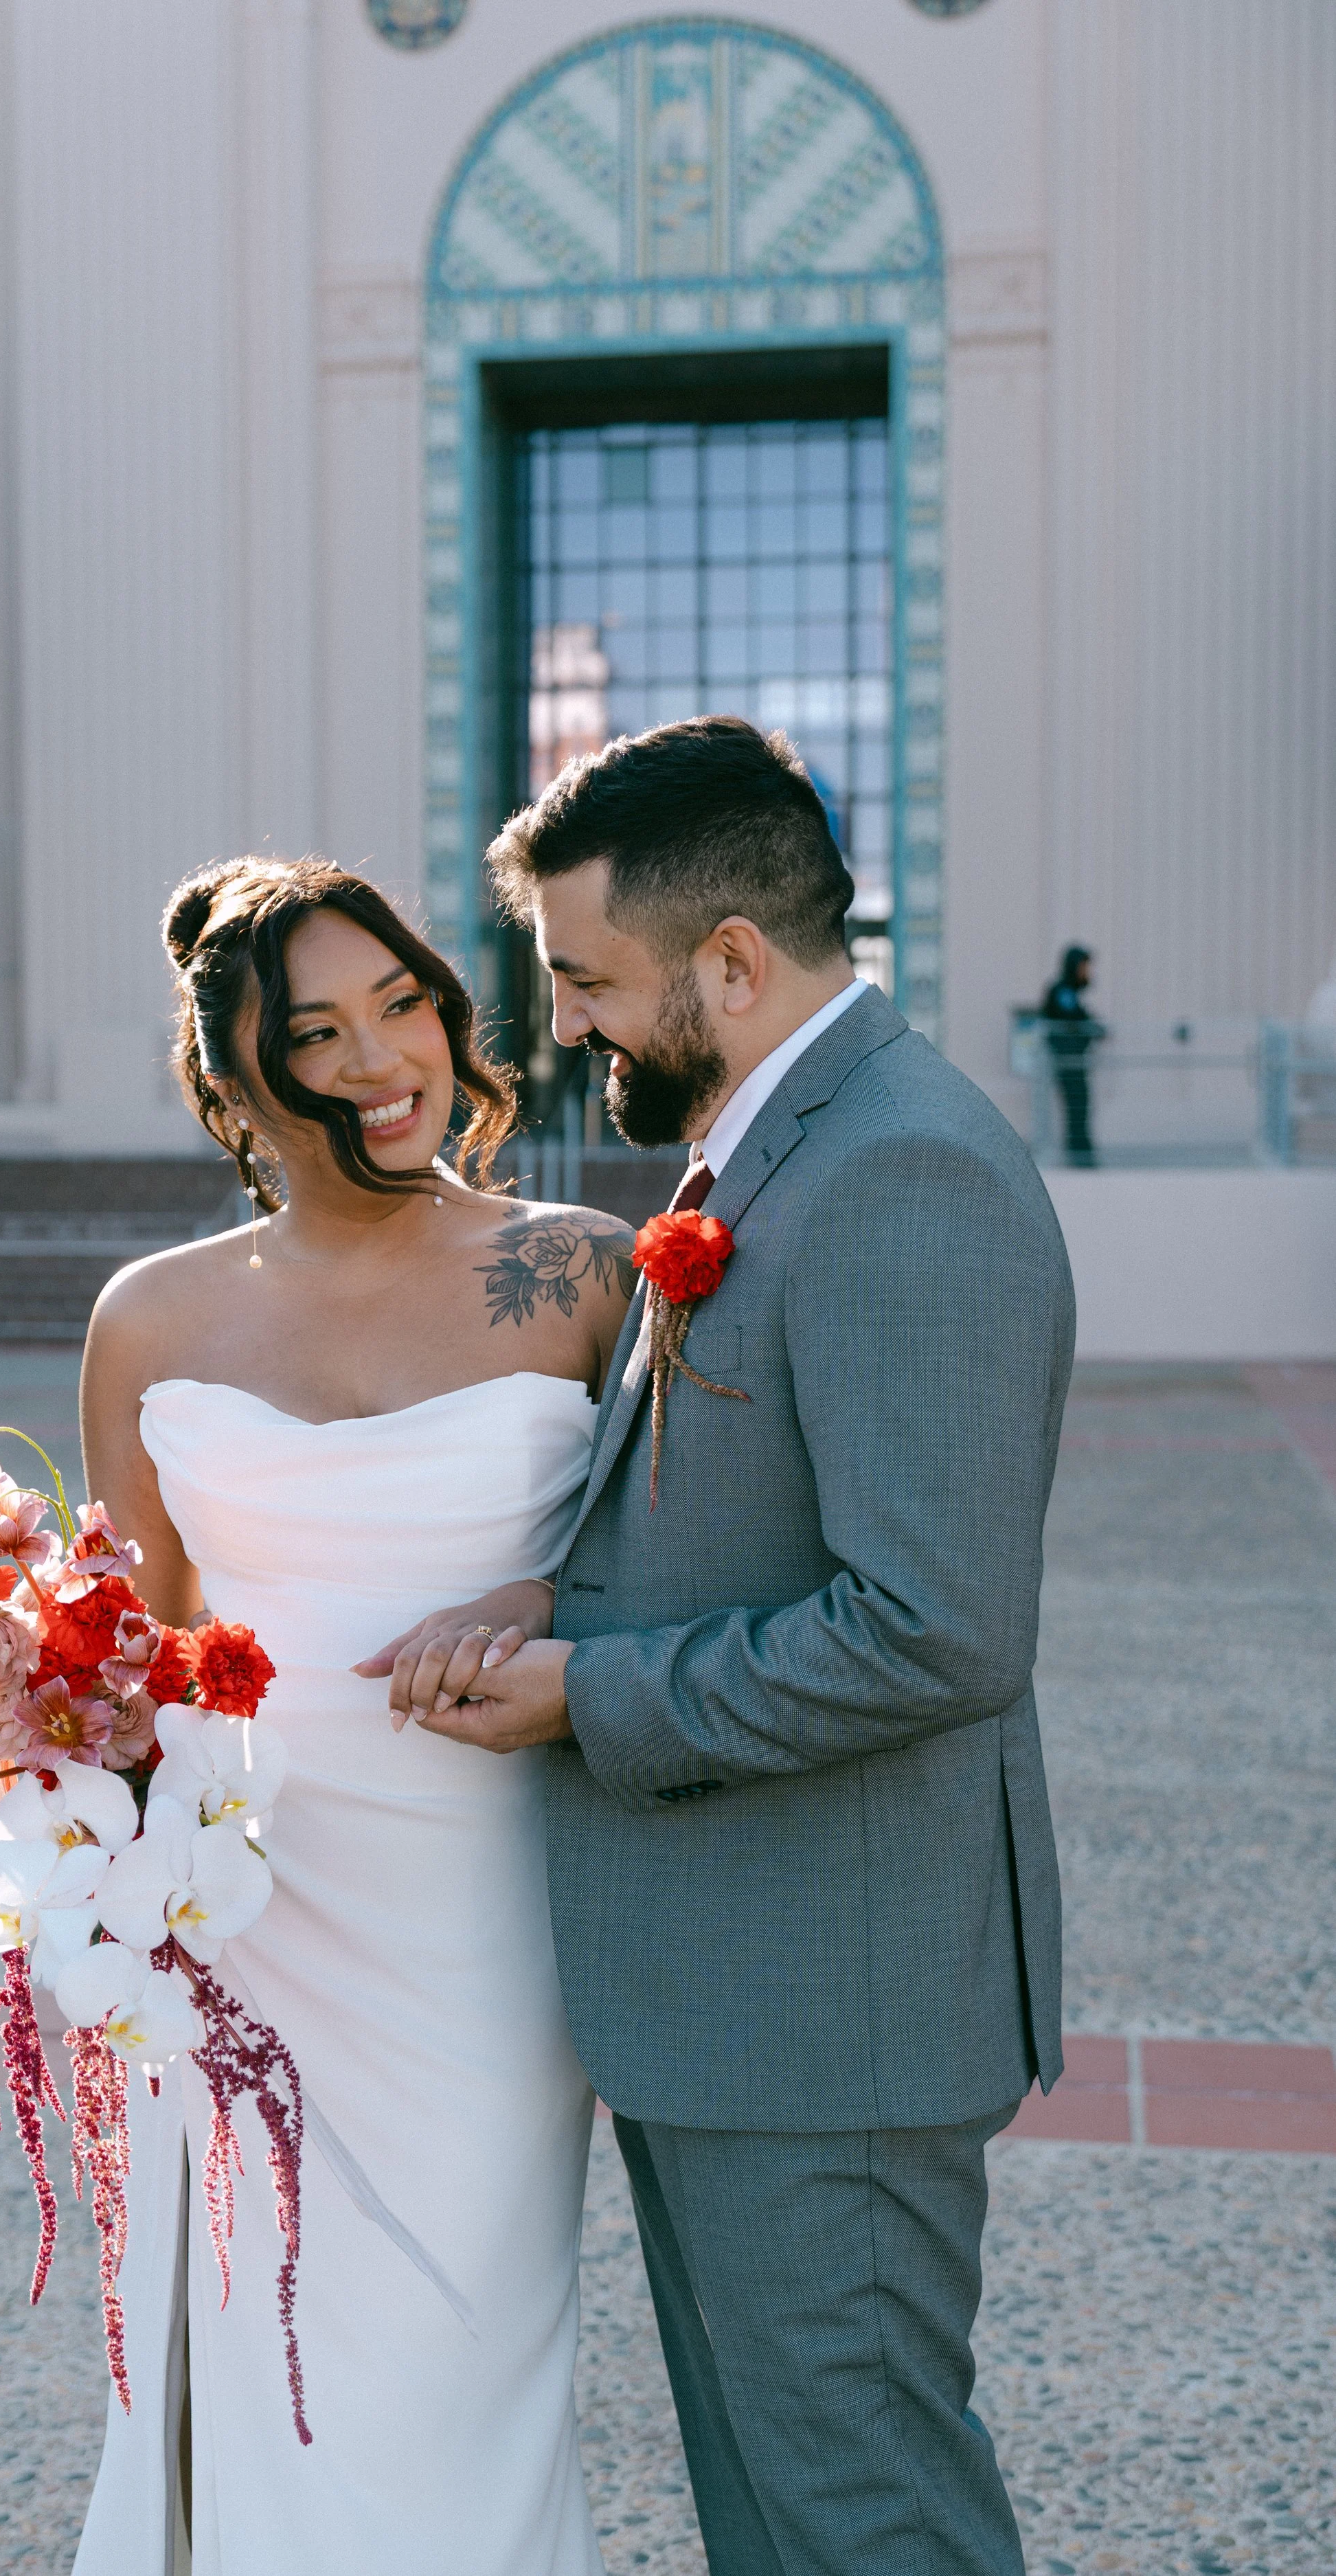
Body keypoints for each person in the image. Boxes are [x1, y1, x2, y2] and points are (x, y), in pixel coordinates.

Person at [365, 716, 1076, 2576]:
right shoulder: (769, 1149)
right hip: (740, 2007)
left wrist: (582, 1693)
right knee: (783, 2524)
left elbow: (933, 1629)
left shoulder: (903, 1170)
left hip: (825, 2016)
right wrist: (553, 1598)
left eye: (589, 981)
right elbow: (747, 1511)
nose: (570, 1027)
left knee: (867, 2520)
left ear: (734, 961)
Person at [73, 855, 636, 2574]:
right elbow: (132, 1659)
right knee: (259, 2351)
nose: (384, 1055)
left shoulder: (587, 1271)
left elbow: (669, 1570)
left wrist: (542, 1601)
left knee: (458, 2360)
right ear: (237, 1081)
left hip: (488, 1922)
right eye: (315, 1031)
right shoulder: (149, 1316)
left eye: (400, 1000)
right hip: (243, 1916)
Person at [1040, 944, 1103, 1164]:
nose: (1087, 972)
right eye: (1084, 967)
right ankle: (1080, 1156)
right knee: (1077, 1107)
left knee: (1081, 1107)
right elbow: (1073, 1019)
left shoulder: (1068, 994)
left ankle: (1082, 1154)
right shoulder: (1062, 992)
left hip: (1073, 1063)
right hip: (1067, 1063)